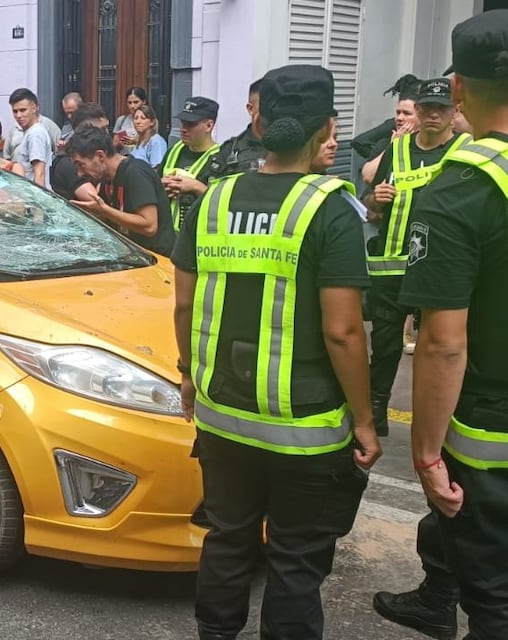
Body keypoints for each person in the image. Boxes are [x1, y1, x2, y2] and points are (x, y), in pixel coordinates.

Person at [173, 64, 380, 640]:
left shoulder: (211, 201)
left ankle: (215, 634)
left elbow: (185, 307)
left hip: (222, 417)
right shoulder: (331, 210)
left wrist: (189, 374)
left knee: (228, 537)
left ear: (257, 121)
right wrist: (364, 422)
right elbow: (344, 332)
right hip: (306, 428)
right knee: (294, 559)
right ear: (327, 128)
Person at [378, 11, 508, 640]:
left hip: (490, 426)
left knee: (495, 596)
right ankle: (436, 598)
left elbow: (442, 342)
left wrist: (426, 454)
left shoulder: (463, 188)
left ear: (457, 89)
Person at [362, 77, 470, 437]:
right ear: (418, 111)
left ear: (455, 112)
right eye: (426, 108)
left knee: (436, 348)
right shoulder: (398, 149)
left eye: (441, 108)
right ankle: (377, 410)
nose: (433, 114)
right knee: (386, 346)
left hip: (440, 269)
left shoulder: (464, 150)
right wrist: (375, 198)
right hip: (391, 267)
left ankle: (434, 417)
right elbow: (370, 209)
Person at [65, 124, 175, 257]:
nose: (80, 174)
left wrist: (105, 210)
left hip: (158, 263)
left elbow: (149, 226)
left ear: (100, 156)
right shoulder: (106, 179)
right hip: (133, 259)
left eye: (81, 165)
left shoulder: (135, 172)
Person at [161, 97, 221, 230]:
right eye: (182, 123)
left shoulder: (221, 158)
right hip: (167, 239)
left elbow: (224, 204)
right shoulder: (174, 151)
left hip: (197, 237)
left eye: (191, 124)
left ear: (209, 125)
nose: (183, 129)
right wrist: (162, 186)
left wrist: (196, 187)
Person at [351, 74, 422, 165]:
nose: (400, 118)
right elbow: (358, 142)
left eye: (407, 113)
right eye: (398, 112)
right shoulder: (391, 128)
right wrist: (378, 155)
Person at [204, 80, 265, 180]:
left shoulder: (292, 150)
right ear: (251, 109)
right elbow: (209, 189)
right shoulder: (231, 150)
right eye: (267, 105)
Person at [51, 102, 108, 201]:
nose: (106, 134)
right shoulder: (69, 162)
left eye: (107, 128)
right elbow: (97, 203)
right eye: (102, 130)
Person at [9, 88, 53, 188]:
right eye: (15, 111)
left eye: (23, 110)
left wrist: (37, 202)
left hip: (34, 197)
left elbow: (39, 173)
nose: (18, 115)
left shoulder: (35, 134)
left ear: (34, 108)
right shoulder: (32, 132)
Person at [112, 86, 146, 154]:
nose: (132, 106)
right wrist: (117, 143)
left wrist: (136, 142)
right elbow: (114, 146)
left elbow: (152, 144)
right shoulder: (121, 120)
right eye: (129, 103)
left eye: (136, 102)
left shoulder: (148, 121)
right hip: (124, 158)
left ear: (143, 102)